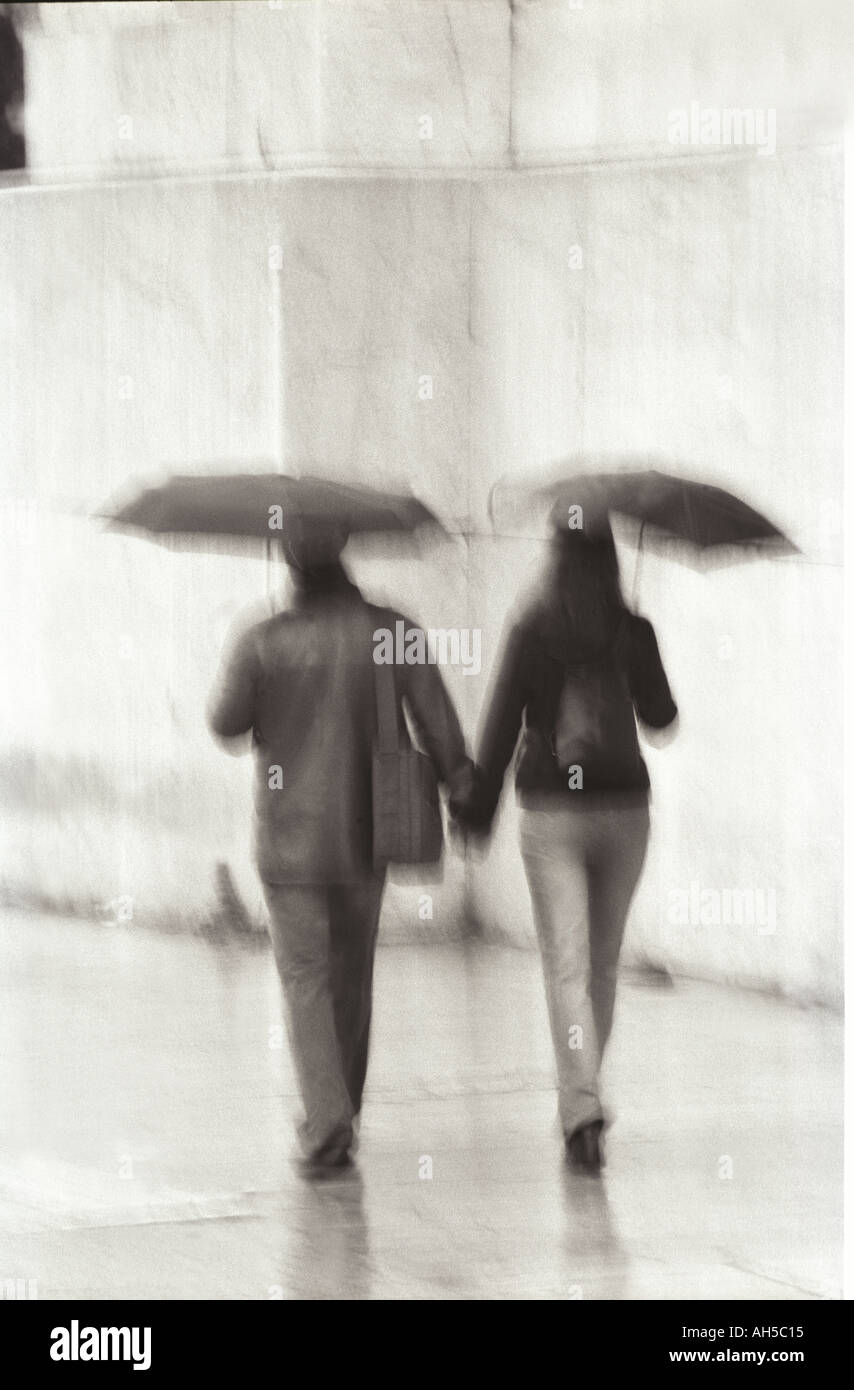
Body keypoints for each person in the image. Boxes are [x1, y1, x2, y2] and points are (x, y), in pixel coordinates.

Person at [207, 521, 472, 1175]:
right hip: (367, 834)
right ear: (343, 553)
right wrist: (466, 788)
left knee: (306, 979)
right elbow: (439, 724)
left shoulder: (263, 638)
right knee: (353, 977)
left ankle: (327, 1125)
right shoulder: (392, 630)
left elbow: (226, 723)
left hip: (289, 841)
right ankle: (341, 1110)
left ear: (289, 564)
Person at [457, 518, 678, 1174]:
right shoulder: (633, 629)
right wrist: (633, 650)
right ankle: (581, 1100)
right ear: (610, 557)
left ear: (553, 554)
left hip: (553, 813)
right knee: (601, 965)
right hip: (625, 811)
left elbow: (500, 724)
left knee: (566, 965)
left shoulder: (532, 628)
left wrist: (476, 809)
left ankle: (580, 1106)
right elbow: (663, 720)